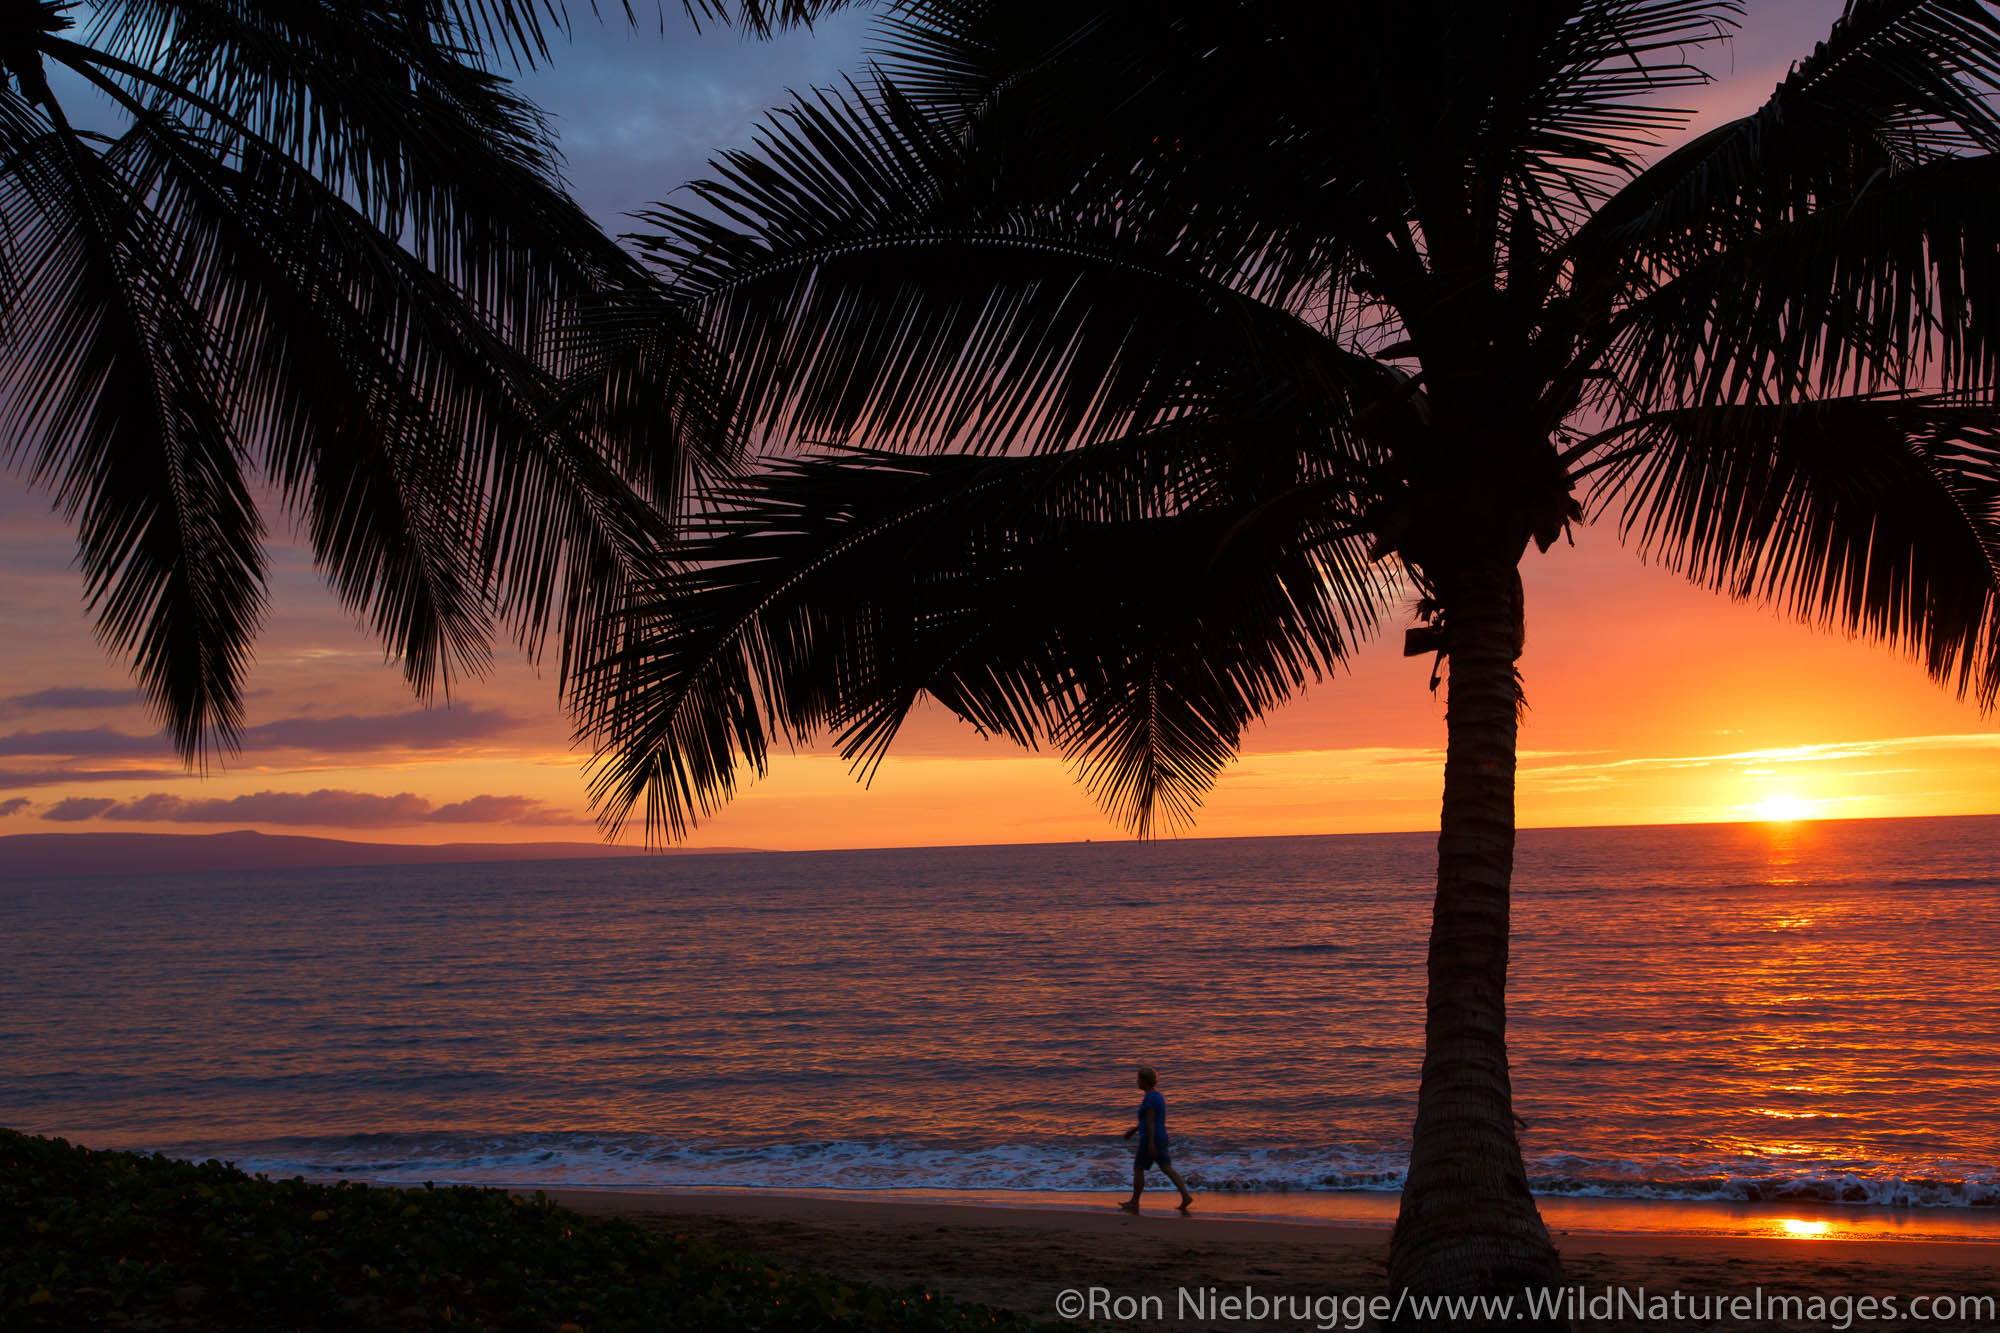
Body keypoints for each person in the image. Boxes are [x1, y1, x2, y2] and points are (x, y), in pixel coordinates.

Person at [1119, 1066, 1194, 1213]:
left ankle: (1134, 1202)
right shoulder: (1157, 1096)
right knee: (1166, 1168)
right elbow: (1148, 1120)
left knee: (1138, 1168)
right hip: (1161, 1136)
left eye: (1138, 1078)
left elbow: (1151, 1121)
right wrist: (1134, 1131)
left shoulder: (1150, 1097)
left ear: (1144, 1081)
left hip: (1151, 1138)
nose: (1136, 1081)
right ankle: (1186, 1196)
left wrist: (1151, 1142)